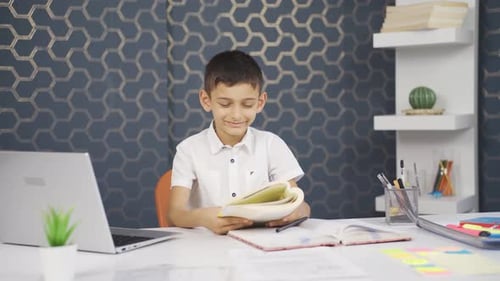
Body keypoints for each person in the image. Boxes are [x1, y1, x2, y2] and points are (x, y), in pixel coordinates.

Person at [168, 50, 310, 235]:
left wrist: (297, 212)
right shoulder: (189, 150)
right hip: (206, 250)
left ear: (260, 102)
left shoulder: (271, 144)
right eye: (225, 104)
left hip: (261, 248)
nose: (236, 115)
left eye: (247, 105)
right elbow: (174, 214)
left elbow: (300, 205)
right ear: (206, 100)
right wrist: (204, 218)